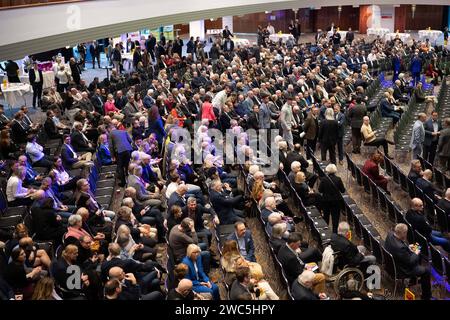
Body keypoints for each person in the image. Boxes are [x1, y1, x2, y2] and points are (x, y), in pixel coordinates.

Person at [384, 224, 431, 300]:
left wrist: (408, 247)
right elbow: (410, 262)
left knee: (416, 249)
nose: (406, 234)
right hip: (402, 270)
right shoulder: (400, 248)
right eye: (406, 232)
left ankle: (413, 280)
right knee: (426, 272)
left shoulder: (390, 235)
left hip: (393, 263)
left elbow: (401, 249)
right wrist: (416, 252)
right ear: (403, 233)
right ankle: (426, 296)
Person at [319, 164, 345, 233]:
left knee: (326, 216)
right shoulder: (338, 179)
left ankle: (326, 231)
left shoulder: (323, 179)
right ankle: (334, 233)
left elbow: (320, 190)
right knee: (335, 218)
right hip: (336, 201)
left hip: (325, 201)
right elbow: (343, 190)